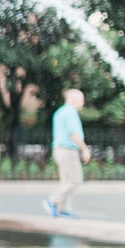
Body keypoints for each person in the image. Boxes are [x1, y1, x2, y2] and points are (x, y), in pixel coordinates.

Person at [44, 88, 91, 218]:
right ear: (73, 100)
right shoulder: (71, 112)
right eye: (81, 100)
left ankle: (61, 209)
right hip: (68, 150)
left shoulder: (60, 112)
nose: (82, 103)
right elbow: (74, 134)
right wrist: (85, 149)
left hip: (59, 149)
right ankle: (52, 201)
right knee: (75, 180)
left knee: (66, 181)